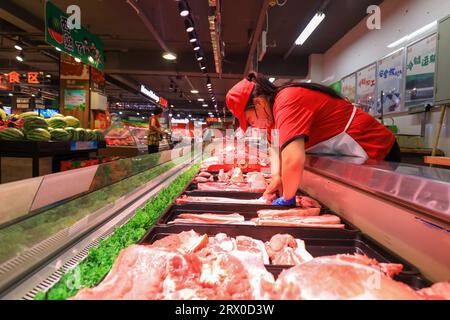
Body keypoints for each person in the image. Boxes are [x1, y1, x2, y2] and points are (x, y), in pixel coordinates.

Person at [226, 72, 401, 206]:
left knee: (379, 209)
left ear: (259, 103)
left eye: (250, 120)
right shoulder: (271, 116)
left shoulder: (287, 101)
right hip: (347, 156)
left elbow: (293, 160)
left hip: (375, 149)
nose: (254, 126)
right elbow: (274, 148)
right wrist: (276, 176)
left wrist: (287, 198)